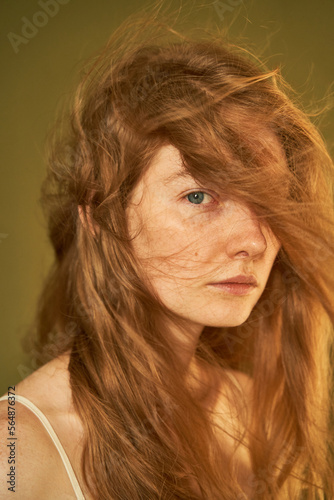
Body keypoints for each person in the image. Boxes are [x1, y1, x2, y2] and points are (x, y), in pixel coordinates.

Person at [1, 5, 334, 500]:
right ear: (99, 219)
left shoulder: (253, 409)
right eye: (198, 196)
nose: (255, 240)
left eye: (268, 201)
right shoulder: (17, 442)